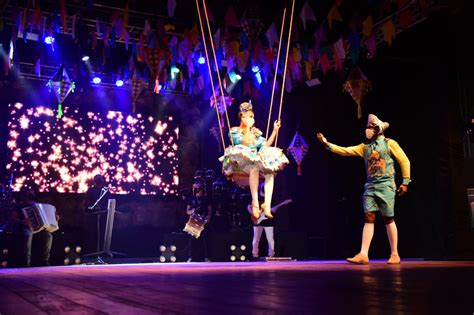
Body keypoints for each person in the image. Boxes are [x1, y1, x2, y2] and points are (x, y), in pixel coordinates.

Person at [317, 114, 411, 264]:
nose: (367, 130)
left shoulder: (389, 143)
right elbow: (345, 150)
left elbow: (404, 160)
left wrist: (405, 181)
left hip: (386, 185)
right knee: (369, 217)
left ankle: (394, 253)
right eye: (367, 127)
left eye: (371, 127)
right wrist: (327, 144)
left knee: (388, 218)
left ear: (377, 129)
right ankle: (363, 254)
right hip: (371, 186)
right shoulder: (365, 147)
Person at [220, 101, 289, 222]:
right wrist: (246, 127)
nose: (253, 119)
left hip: (254, 163)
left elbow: (265, 145)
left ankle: (266, 205)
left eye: (253, 117)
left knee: (269, 172)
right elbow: (244, 143)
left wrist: (274, 131)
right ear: (242, 117)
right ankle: (255, 204)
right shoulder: (235, 131)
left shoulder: (256, 132)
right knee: (254, 167)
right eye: (250, 117)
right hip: (240, 164)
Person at [4, 187, 54, 267]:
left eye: (32, 193)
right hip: (25, 227)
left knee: (48, 235)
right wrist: (23, 221)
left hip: (39, 228)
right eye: (29, 193)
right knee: (27, 234)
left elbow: (45, 216)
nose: (31, 195)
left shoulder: (37, 205)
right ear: (24, 195)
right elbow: (13, 218)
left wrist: (54, 217)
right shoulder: (19, 206)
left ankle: (45, 260)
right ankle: (26, 262)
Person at [247, 183, 292, 259]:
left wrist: (276, 208)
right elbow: (248, 207)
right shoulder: (255, 196)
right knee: (256, 238)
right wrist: (254, 213)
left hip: (268, 220)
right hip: (258, 220)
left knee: (270, 238)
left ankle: (271, 254)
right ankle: (255, 255)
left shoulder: (270, 198)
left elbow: (273, 209)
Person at [186, 181, 212, 262]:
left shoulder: (206, 199)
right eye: (195, 188)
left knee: (205, 240)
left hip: (203, 219)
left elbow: (210, 210)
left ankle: (206, 257)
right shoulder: (191, 199)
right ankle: (191, 257)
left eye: (198, 188)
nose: (196, 190)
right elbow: (187, 211)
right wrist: (192, 211)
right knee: (192, 240)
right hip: (195, 220)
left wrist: (208, 218)